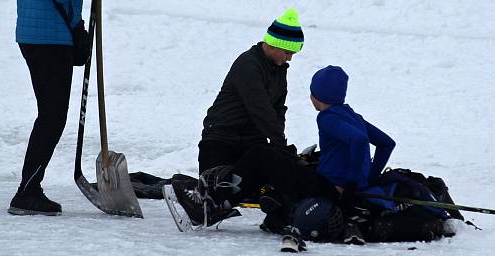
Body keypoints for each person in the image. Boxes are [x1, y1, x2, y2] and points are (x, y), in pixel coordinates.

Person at [172, 65, 456, 244]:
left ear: (316, 96)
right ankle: (221, 197)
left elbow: (358, 142)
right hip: (331, 184)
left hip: (326, 187)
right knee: (274, 154)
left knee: (261, 154)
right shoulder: (351, 115)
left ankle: (216, 203)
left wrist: (352, 182)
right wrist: (368, 176)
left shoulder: (327, 118)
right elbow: (386, 143)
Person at [8, 0, 110, 216]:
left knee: (51, 116)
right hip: (45, 39)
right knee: (52, 117)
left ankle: (29, 188)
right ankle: (27, 192)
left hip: (49, 36)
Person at [197, 8, 304, 174]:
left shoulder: (280, 68)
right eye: (288, 52)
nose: (289, 58)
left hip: (252, 140)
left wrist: (279, 146)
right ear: (274, 45)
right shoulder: (248, 64)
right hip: (221, 138)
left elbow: (278, 109)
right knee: (215, 187)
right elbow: (260, 109)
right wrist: (280, 144)